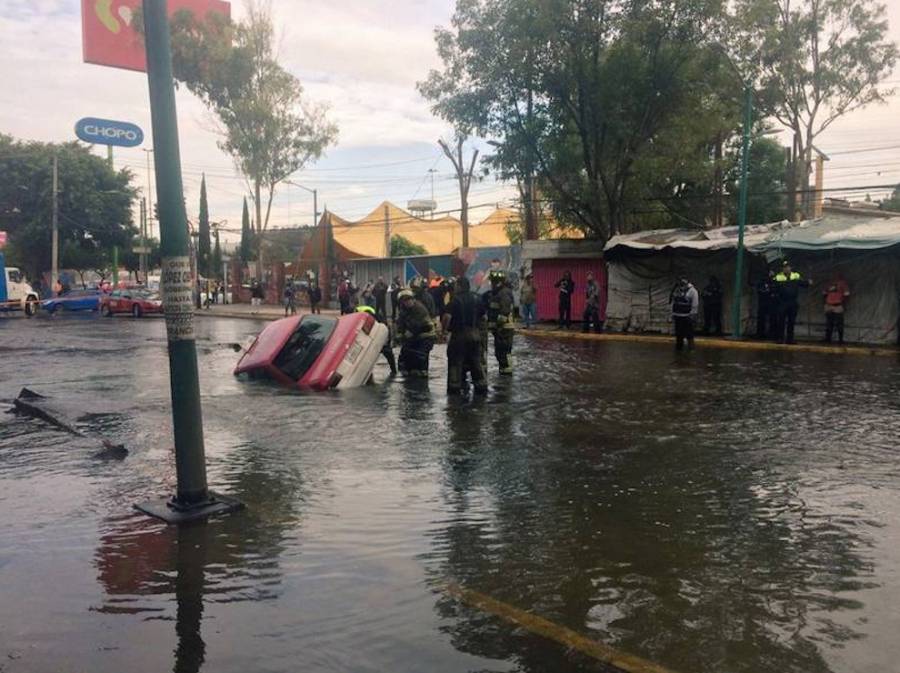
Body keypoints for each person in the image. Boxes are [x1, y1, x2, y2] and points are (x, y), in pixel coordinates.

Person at [442, 276, 487, 395]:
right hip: (475, 335)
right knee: (476, 362)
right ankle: (481, 388)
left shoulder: (455, 300)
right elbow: (483, 316)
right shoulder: (477, 298)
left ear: (460, 286)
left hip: (459, 336)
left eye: (456, 285)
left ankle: (455, 390)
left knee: (455, 363)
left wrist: (444, 331)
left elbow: (447, 317)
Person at [395, 288, 436, 377]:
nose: (407, 302)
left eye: (408, 299)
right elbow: (400, 324)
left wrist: (403, 336)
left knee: (420, 355)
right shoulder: (404, 310)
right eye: (404, 300)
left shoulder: (419, 309)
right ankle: (407, 371)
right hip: (414, 336)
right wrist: (398, 335)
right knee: (405, 354)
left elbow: (415, 327)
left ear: (413, 299)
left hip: (426, 335)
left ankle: (422, 372)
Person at [482, 270, 515, 375]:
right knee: (500, 352)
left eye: (492, 282)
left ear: (498, 282)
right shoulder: (497, 293)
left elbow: (504, 312)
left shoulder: (504, 293)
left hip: (504, 328)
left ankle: (507, 371)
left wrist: (498, 326)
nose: (491, 284)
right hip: (500, 329)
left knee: (504, 351)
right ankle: (504, 370)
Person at [774, 260, 811, 344]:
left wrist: (808, 282)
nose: (786, 269)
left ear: (791, 268)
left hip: (792, 302)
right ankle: (780, 338)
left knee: (791, 321)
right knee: (781, 321)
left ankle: (790, 339)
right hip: (782, 302)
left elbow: (803, 283)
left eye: (788, 267)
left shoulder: (795, 276)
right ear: (782, 269)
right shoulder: (778, 277)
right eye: (784, 267)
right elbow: (774, 287)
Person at [357, 305, 397, 375]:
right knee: (369, 356)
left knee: (387, 352)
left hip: (379, 335)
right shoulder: (361, 315)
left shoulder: (377, 320)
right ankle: (369, 374)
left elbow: (386, 329)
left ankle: (393, 370)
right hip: (374, 336)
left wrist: (387, 341)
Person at [670, 277, 699, 351]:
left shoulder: (692, 291)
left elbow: (695, 305)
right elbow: (673, 302)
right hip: (678, 316)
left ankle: (691, 351)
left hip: (687, 316)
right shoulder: (676, 290)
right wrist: (672, 314)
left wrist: (692, 316)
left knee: (689, 336)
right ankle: (678, 351)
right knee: (679, 336)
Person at [823, 271, 850, 344]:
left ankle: (840, 340)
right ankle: (828, 339)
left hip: (838, 305)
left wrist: (843, 305)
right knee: (829, 323)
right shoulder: (828, 284)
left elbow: (846, 295)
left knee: (839, 323)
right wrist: (826, 303)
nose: (834, 276)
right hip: (829, 304)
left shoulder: (843, 283)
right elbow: (824, 294)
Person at [754, 270, 777, 339]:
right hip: (763, 301)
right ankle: (760, 334)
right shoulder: (762, 281)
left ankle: (771, 334)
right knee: (761, 319)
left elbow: (775, 289)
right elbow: (760, 290)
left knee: (772, 319)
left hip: (771, 302)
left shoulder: (773, 281)